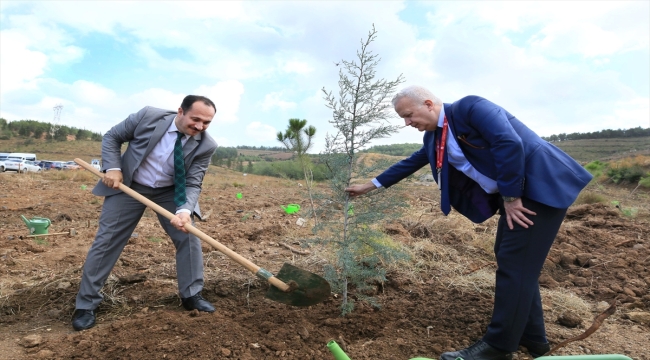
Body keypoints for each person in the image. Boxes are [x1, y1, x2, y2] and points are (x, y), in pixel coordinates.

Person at [346, 86, 593, 360]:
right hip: (521, 193)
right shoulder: (434, 137)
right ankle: (533, 338)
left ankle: (498, 346)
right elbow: (411, 162)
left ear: (428, 104)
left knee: (514, 263)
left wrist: (511, 196)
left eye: (408, 115)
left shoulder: (471, 108)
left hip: (538, 185)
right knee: (513, 261)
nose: (407, 123)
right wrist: (368, 186)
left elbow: (508, 143)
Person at [72, 95, 219, 331]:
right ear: (180, 111)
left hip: (170, 191)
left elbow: (193, 181)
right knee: (107, 240)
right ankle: (86, 304)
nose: (200, 127)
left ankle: (191, 295)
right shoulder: (149, 116)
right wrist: (113, 168)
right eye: (196, 119)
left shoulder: (206, 145)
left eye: (207, 123)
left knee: (189, 236)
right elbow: (113, 136)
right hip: (129, 185)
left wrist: (184, 210)